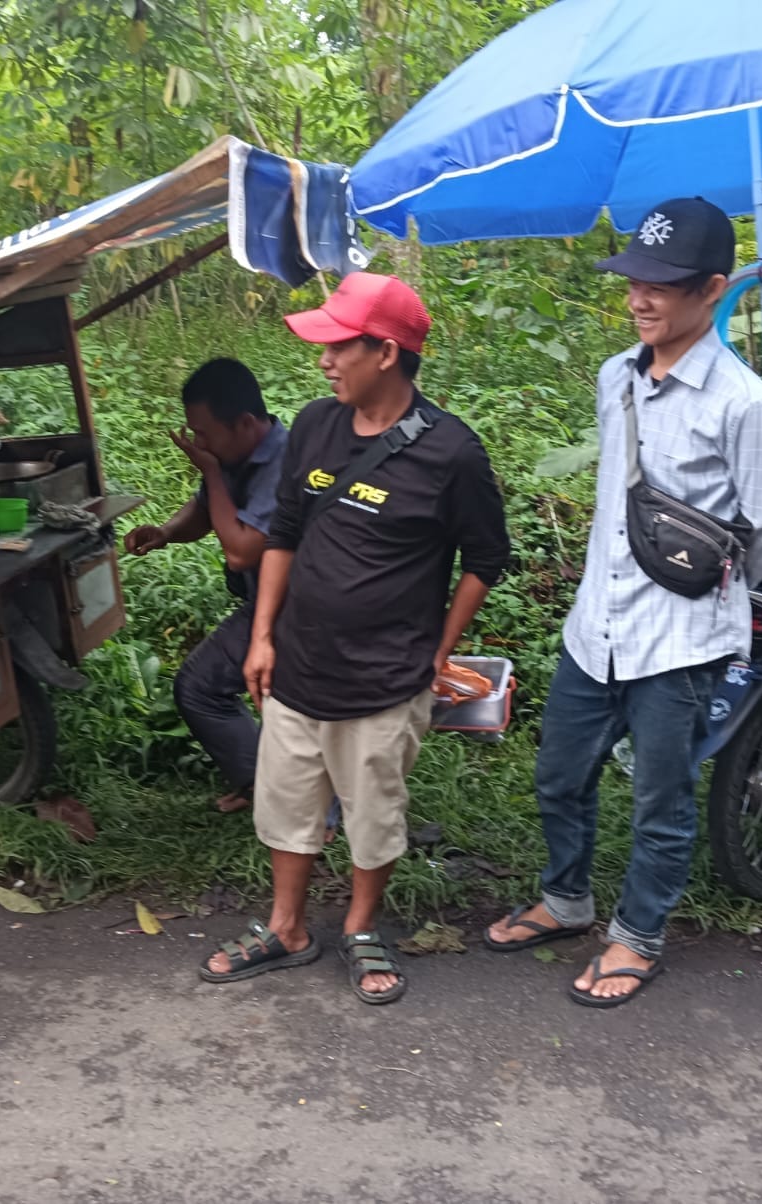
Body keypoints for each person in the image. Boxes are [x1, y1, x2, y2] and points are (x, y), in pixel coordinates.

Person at [485, 197, 762, 1008]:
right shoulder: (614, 378)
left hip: (680, 642)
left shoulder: (747, 407)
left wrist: (708, 599)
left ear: (713, 289)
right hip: (595, 628)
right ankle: (566, 899)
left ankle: (638, 936)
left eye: (661, 284)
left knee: (661, 801)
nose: (639, 298)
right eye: (632, 280)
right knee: (559, 776)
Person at [198, 273, 510, 1005]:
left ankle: (362, 926)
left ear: (387, 353)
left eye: (340, 347)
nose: (325, 360)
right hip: (297, 665)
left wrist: (440, 648)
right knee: (286, 805)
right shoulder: (316, 425)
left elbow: (486, 560)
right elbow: (285, 533)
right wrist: (262, 636)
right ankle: (286, 927)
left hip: (385, 679)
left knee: (373, 815)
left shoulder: (452, 454)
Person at [124, 358, 287, 816]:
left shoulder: (284, 465)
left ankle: (307, 807)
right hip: (266, 604)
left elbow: (241, 551)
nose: (198, 444)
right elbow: (204, 510)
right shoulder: (236, 453)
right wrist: (166, 532)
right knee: (202, 687)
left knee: (282, 708)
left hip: (305, 611)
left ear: (245, 423)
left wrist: (212, 472)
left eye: (203, 434)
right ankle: (263, 785)